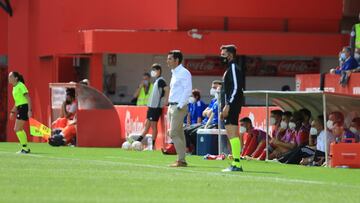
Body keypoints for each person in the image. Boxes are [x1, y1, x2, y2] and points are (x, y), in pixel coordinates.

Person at [219, 45, 244, 172]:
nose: (221, 56)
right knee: (231, 135)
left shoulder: (233, 67)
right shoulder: (229, 68)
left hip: (232, 106)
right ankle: (235, 162)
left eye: (223, 54)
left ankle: (237, 163)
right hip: (228, 105)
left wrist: (228, 105)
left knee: (233, 134)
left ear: (230, 54)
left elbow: (236, 88)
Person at [167, 50, 192, 167]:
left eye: (170, 59)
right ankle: (182, 159)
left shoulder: (184, 72)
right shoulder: (174, 73)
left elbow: (187, 90)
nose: (167, 61)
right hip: (172, 105)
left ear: (177, 60)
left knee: (173, 133)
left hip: (178, 106)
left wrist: (180, 105)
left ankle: (181, 160)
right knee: (179, 134)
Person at [136, 64, 169, 149]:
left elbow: (167, 89)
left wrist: (165, 101)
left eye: (154, 70)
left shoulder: (161, 80)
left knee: (153, 126)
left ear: (158, 71)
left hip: (156, 107)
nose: (152, 72)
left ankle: (153, 146)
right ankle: (138, 141)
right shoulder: (156, 81)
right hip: (151, 107)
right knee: (146, 125)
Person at [8, 71, 32, 154]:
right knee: (19, 129)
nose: (9, 78)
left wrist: (29, 110)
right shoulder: (15, 87)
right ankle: (25, 148)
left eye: (10, 77)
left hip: (24, 108)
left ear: (16, 78)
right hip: (20, 108)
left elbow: (28, 98)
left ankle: (25, 148)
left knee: (17, 129)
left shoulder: (21, 85)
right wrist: (12, 111)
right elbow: (17, 101)